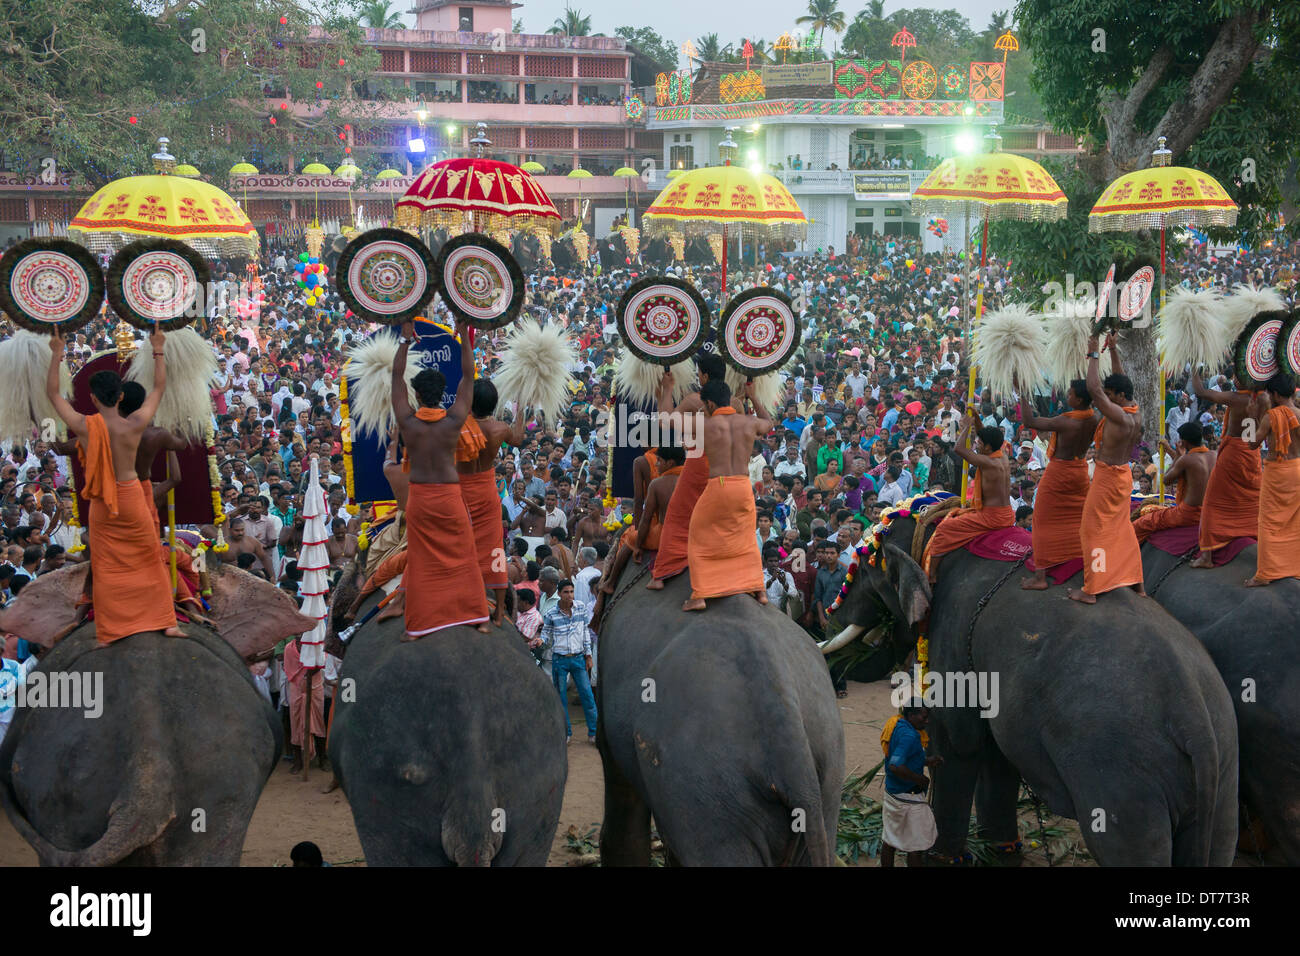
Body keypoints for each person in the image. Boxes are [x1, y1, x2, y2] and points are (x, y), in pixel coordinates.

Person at [45, 327, 183, 642]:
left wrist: (57, 353)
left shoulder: (83, 425)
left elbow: (53, 394)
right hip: (133, 497)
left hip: (102, 506)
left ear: (93, 398)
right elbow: (159, 387)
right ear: (121, 396)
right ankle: (168, 622)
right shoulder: (136, 424)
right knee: (150, 557)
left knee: (105, 566)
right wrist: (157, 348)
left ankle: (110, 630)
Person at [391, 319, 490, 636]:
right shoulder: (454, 419)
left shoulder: (407, 421)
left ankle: (418, 625)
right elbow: (468, 377)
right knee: (465, 554)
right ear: (442, 394)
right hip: (449, 498)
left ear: (417, 395)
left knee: (420, 561)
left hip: (420, 499)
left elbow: (395, 377)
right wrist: (463, 338)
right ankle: (477, 616)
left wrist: (405, 341)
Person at [682, 379, 771, 612]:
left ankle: (700, 595)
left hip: (718, 486)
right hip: (743, 486)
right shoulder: (748, 422)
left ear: (710, 403)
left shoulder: (705, 425)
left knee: (697, 535)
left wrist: (667, 389)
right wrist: (752, 396)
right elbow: (769, 422)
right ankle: (759, 589)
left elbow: (664, 419)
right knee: (746, 537)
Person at [646, 352, 731, 591]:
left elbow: (665, 419)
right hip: (727, 468)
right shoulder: (734, 402)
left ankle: (660, 575)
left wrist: (667, 388)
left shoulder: (697, 399)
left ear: (703, 376)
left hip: (699, 464)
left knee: (677, 515)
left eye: (698, 374)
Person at [1070, 335, 1144, 604]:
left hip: (1108, 477)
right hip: (1123, 475)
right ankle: (1136, 582)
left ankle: (1093, 588)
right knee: (1122, 528)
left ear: (1120, 397)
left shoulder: (1118, 415)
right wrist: (1112, 349)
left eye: (1112, 395)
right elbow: (1120, 380)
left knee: (1092, 530)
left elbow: (1093, 388)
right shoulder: (1135, 411)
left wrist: (1093, 354)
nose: (1108, 398)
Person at [591, 444, 685, 630]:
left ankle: (609, 583)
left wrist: (638, 543)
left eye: (660, 461)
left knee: (629, 540)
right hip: (690, 534)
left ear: (670, 462)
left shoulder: (656, 482)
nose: (657, 464)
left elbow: (645, 518)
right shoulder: (691, 479)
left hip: (665, 533)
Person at [458, 380, 527, 625]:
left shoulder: (459, 426)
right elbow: (518, 438)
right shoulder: (499, 428)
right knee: (495, 547)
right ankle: (499, 612)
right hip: (488, 495)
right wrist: (522, 408)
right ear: (495, 404)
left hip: (459, 492)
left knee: (456, 541)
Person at [1017, 379, 1096, 589]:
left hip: (1059, 472)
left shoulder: (1066, 421)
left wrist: (1024, 392)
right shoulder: (1094, 417)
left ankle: (1040, 577)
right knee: (1080, 519)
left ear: (1079, 399)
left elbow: (1028, 420)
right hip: (1080, 472)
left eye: (1070, 394)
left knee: (1041, 520)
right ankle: (1080, 558)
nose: (1067, 396)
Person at [921, 417, 1014, 584]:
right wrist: (976, 419)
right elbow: (986, 436)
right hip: (1005, 513)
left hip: (992, 517)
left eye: (978, 443)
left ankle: (932, 576)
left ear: (987, 447)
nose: (976, 445)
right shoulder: (1002, 456)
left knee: (945, 528)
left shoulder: (988, 462)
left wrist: (966, 427)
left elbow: (959, 448)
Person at [1189, 367, 1260, 568]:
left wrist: (1195, 369)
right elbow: (1254, 436)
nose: (1234, 378)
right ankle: (1255, 536)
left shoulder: (1235, 398)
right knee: (1253, 499)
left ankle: (1207, 557)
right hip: (1252, 454)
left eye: (1238, 375)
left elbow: (1201, 392)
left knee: (1212, 502)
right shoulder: (1262, 399)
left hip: (1233, 455)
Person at [1244, 374, 1300, 586]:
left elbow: (1251, 444)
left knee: (1267, 521)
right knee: (1295, 522)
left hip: (1277, 473)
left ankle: (1265, 574)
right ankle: (1294, 567)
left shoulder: (1271, 416)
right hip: (1297, 470)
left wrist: (1249, 418)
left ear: (1275, 394)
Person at [880, 701, 941, 867]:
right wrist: (920, 779)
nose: (927, 721)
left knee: (890, 838)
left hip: (892, 793)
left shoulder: (897, 725)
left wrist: (927, 761)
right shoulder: (910, 736)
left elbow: (904, 758)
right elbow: (895, 766)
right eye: (924, 717)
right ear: (911, 715)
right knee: (916, 845)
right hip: (907, 797)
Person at [1133, 423, 1215, 542]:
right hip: (1209, 511)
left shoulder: (1187, 459)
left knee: (1142, 523)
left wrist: (1177, 455)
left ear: (1184, 441)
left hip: (1188, 514)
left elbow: (1166, 480)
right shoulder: (1214, 455)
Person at [540, 579, 597, 744]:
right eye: (566, 592)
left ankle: (593, 733)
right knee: (561, 698)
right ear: (559, 594)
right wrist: (539, 642)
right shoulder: (551, 614)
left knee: (587, 696)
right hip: (560, 660)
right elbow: (546, 635)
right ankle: (567, 733)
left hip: (579, 658)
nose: (569, 595)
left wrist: (588, 655)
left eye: (571, 591)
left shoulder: (580, 608)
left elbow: (585, 632)